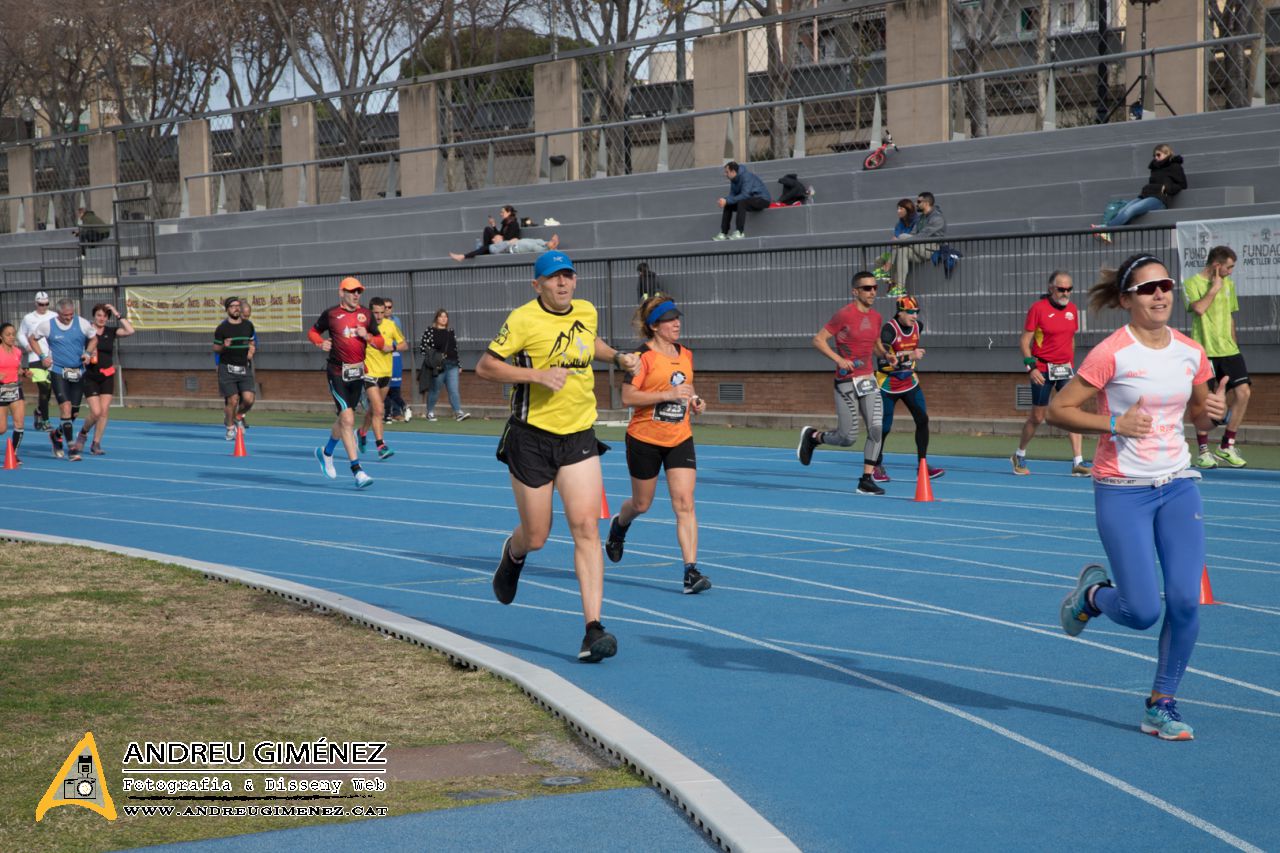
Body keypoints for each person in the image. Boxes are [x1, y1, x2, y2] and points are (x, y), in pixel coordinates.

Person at [1048, 253, 1227, 741]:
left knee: (1187, 601)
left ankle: (1161, 704)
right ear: (1127, 299)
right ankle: (1091, 595)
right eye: (1148, 289)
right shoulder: (1111, 352)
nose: (1161, 294)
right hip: (1122, 488)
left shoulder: (1192, 351)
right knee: (1143, 612)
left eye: (1166, 285)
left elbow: (1200, 417)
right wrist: (1112, 422)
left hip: (1177, 483)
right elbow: (1057, 410)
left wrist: (1213, 410)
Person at [474, 250, 640, 663]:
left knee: (586, 528)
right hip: (531, 438)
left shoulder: (586, 310)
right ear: (538, 285)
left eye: (568, 276)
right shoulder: (522, 319)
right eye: (553, 278)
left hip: (579, 435)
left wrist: (616, 356)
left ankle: (592, 629)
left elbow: (589, 343)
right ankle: (513, 555)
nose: (563, 283)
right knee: (538, 535)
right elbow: (486, 367)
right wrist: (536, 375)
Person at [604, 293, 711, 595]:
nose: (676, 323)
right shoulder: (642, 358)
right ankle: (619, 525)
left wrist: (695, 402)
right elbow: (627, 398)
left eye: (677, 318)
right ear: (654, 326)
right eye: (669, 320)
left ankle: (691, 572)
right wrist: (667, 395)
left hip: (679, 438)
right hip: (644, 439)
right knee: (642, 504)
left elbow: (685, 389)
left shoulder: (686, 354)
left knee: (685, 503)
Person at [796, 271, 886, 496]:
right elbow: (818, 340)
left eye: (875, 287)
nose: (872, 291)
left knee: (876, 428)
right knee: (847, 438)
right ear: (855, 291)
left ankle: (866, 480)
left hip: (868, 380)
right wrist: (840, 360)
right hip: (846, 382)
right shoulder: (843, 315)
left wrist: (887, 355)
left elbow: (875, 345)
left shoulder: (876, 317)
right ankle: (814, 437)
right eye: (867, 288)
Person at [307, 277, 384, 489]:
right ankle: (357, 471)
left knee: (344, 419)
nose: (356, 295)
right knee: (348, 419)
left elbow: (381, 342)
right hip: (336, 372)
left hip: (357, 373)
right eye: (351, 291)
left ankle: (326, 452)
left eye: (359, 291)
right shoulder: (331, 314)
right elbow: (312, 332)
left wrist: (367, 335)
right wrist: (319, 342)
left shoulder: (366, 315)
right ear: (342, 293)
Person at [1011, 272, 1091, 477]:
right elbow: (1024, 341)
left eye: (1069, 289)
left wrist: (1071, 364)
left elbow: (1070, 338)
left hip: (1065, 369)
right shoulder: (1038, 309)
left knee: (1073, 413)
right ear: (1050, 288)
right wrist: (1032, 368)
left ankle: (1078, 462)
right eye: (1061, 289)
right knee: (1037, 417)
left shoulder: (1072, 310)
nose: (1065, 293)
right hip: (1042, 369)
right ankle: (1019, 454)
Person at [1185, 246, 1250, 469]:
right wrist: (1214, 288)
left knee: (1244, 392)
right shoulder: (1192, 283)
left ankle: (1226, 445)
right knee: (1206, 401)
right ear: (1217, 266)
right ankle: (1203, 451)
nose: (1231, 272)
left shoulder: (1229, 284)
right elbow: (1200, 309)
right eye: (1229, 267)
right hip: (1204, 352)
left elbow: (1230, 318)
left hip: (1229, 351)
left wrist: (1235, 345)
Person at [870, 295, 943, 483]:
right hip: (887, 384)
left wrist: (910, 359)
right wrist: (910, 355)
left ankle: (922, 465)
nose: (914, 316)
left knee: (923, 419)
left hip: (909, 381)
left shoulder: (919, 327)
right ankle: (876, 465)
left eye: (916, 312)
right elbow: (885, 360)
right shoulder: (889, 330)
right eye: (910, 312)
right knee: (884, 427)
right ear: (900, 312)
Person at [29, 298, 97, 462]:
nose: (69, 318)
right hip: (58, 371)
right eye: (65, 315)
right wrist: (43, 356)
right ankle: (72, 448)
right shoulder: (48, 325)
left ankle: (56, 434)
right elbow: (32, 338)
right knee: (65, 409)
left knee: (73, 414)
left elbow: (94, 338)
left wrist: (87, 353)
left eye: (71, 314)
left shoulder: (81, 323)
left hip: (78, 372)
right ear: (58, 313)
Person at [1092, 143, 1186, 240]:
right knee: (1123, 210)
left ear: (1167, 153)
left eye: (1158, 155)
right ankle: (1107, 232)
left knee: (1131, 210)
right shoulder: (1155, 168)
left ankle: (1106, 229)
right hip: (1146, 195)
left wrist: (1166, 188)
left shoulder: (1175, 167)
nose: (1156, 158)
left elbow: (1182, 185)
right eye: (1154, 155)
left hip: (1160, 199)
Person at [75, 303, 135, 455]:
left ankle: (96, 443)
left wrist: (116, 313)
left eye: (105, 316)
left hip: (107, 375)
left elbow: (130, 330)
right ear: (94, 316)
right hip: (90, 376)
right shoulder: (86, 331)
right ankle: (82, 433)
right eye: (99, 316)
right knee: (95, 412)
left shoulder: (111, 331)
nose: (102, 319)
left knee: (104, 411)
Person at [356, 296, 407, 460]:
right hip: (369, 373)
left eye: (381, 312)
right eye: (375, 313)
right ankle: (381, 445)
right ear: (370, 312)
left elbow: (404, 344)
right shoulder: (363, 328)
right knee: (379, 409)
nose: (378, 316)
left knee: (373, 411)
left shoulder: (391, 326)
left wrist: (390, 347)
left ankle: (362, 431)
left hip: (386, 374)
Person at [884, 192, 945, 297]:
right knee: (902, 251)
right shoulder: (921, 218)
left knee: (902, 237)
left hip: (931, 249)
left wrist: (900, 239)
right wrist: (902, 240)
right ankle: (900, 288)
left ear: (926, 203)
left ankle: (889, 265)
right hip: (919, 247)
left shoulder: (937, 218)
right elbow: (913, 233)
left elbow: (922, 236)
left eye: (918, 202)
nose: (916, 204)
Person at [213, 297, 256, 440]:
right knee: (232, 400)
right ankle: (230, 427)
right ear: (227, 309)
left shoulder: (248, 325)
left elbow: (251, 341)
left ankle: (238, 416)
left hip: (244, 367)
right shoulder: (222, 328)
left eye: (238, 306)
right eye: (232, 306)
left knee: (249, 400)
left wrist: (251, 349)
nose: (236, 308)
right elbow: (216, 348)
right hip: (227, 367)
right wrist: (224, 345)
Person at [419, 309, 470, 422]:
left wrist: (459, 364)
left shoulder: (450, 331)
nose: (443, 319)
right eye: (441, 316)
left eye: (445, 317)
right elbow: (423, 348)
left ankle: (458, 412)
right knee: (435, 390)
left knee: (454, 390)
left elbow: (454, 349)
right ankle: (430, 412)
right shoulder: (430, 331)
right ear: (436, 318)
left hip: (452, 365)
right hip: (439, 366)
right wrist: (433, 359)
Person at [17, 292, 54, 432]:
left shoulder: (54, 316)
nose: (43, 307)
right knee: (44, 388)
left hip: (51, 358)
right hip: (35, 358)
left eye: (46, 304)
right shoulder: (28, 318)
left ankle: (39, 410)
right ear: (36, 303)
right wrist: (26, 345)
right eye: (41, 304)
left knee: (49, 390)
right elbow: (20, 333)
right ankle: (46, 421)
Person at [714, 161, 771, 240]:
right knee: (728, 204)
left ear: (733, 172)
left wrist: (727, 200)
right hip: (750, 200)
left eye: (727, 172)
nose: (725, 174)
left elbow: (745, 195)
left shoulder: (746, 176)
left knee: (742, 202)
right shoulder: (733, 180)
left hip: (762, 199)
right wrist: (725, 200)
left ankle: (739, 232)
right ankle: (724, 233)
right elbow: (732, 196)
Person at [0, 323, 28, 464]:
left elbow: (18, 368)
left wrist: (24, 372)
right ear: (1, 336)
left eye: (13, 334)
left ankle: (14, 453)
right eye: (8, 334)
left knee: (19, 422)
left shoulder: (17, 351)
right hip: (1, 391)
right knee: (2, 428)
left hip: (15, 389)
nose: (11, 337)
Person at [450, 206, 520, 261]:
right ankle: (486, 249)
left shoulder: (514, 224)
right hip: (501, 243)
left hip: (506, 246)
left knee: (484, 247)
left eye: (502, 212)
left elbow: (509, 238)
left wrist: (500, 238)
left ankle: (462, 256)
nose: (501, 214)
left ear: (509, 213)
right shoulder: (505, 223)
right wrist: (493, 225)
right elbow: (500, 234)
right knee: (487, 229)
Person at [382, 297, 411, 422]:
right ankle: (388, 413)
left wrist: (391, 347)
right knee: (383, 389)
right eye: (385, 307)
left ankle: (397, 411)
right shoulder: (377, 322)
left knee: (393, 388)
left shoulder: (395, 321)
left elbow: (400, 342)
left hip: (394, 357)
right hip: (381, 359)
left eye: (390, 307)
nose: (387, 309)